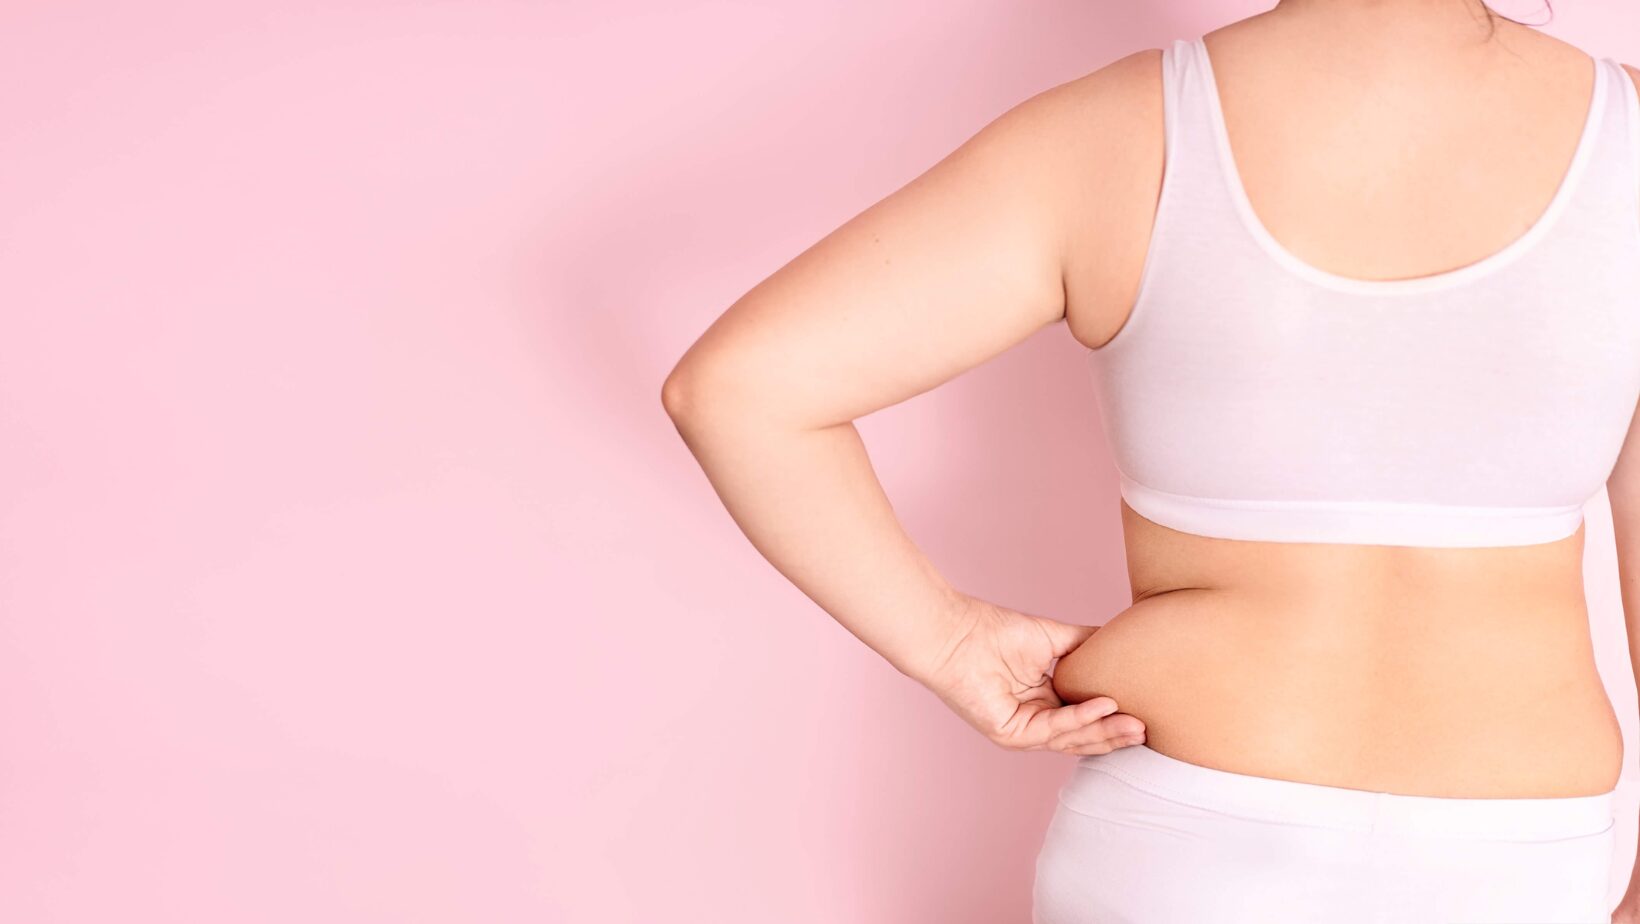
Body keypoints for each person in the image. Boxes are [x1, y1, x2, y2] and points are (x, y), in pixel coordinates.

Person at [661, 1, 1640, 920]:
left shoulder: (1115, 134)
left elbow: (737, 388)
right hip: (1523, 851)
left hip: (1179, 847)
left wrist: (952, 644)